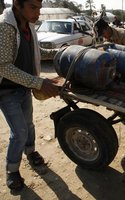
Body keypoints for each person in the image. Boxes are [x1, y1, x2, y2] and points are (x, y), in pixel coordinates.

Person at [0, 0, 60, 191]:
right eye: (33, 7)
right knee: (19, 132)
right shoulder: (5, 27)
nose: (38, 12)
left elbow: (36, 52)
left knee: (29, 125)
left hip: (24, 89)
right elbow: (4, 66)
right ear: (17, 4)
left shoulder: (29, 26)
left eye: (40, 8)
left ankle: (30, 152)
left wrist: (60, 52)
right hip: (7, 92)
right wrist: (39, 82)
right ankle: (12, 170)